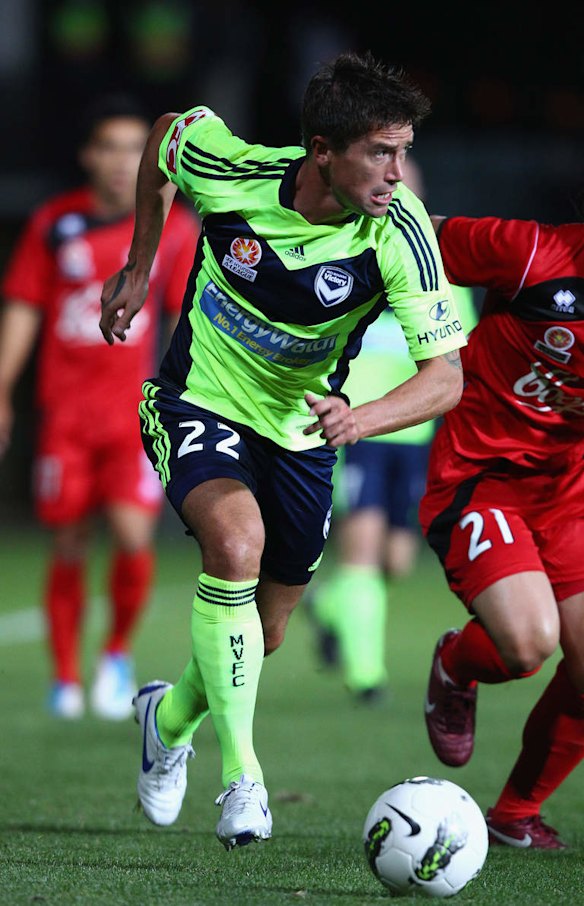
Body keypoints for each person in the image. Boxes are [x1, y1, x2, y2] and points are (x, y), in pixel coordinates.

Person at [99, 51, 466, 850]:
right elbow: (167, 138)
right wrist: (140, 261)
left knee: (260, 636)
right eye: (381, 152)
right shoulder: (230, 169)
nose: (397, 172)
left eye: (403, 151)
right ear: (322, 152)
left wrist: (361, 417)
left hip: (301, 434)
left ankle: (166, 720)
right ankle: (243, 778)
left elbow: (445, 379)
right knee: (234, 544)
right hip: (197, 398)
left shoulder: (399, 232)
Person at [0, 94, 199, 720]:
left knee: (134, 536)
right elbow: (25, 307)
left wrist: (184, 402)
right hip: (65, 417)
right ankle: (64, 676)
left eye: (135, 149)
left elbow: (186, 320)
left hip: (133, 416)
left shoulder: (176, 229)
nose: (122, 162)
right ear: (89, 155)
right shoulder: (55, 225)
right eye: (110, 147)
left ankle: (115, 653)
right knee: (69, 541)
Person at [420, 211, 584, 849]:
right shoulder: (532, 253)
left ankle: (515, 813)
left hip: (568, 491)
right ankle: (455, 664)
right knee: (528, 644)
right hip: (480, 475)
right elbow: (410, 235)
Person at [308, 158, 477, 701]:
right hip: (360, 429)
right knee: (361, 547)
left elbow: (458, 365)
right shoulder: (351, 255)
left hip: (416, 433)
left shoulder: (440, 279)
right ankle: (366, 676)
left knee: (396, 562)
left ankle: (328, 604)